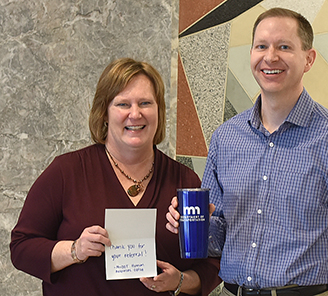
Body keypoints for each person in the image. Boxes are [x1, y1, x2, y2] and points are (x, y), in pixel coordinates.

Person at [166, 7, 328, 296]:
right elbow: (218, 239)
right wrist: (194, 224)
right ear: (251, 55)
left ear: (308, 59)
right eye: (261, 46)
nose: (270, 57)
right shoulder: (226, 139)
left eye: (284, 46)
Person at [10, 58, 221, 296]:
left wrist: (180, 281)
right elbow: (21, 248)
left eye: (145, 103)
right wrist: (75, 250)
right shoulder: (66, 172)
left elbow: (212, 263)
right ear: (104, 113)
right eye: (122, 104)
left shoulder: (185, 182)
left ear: (159, 111)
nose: (135, 113)